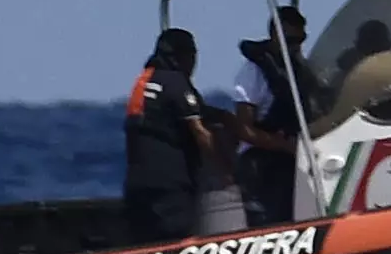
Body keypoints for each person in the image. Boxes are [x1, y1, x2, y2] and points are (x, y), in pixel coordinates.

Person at [120, 30, 213, 240]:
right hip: (170, 185)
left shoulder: (145, 82)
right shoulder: (175, 81)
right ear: (182, 56)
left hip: (137, 184)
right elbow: (199, 131)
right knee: (180, 238)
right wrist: (227, 169)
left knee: (145, 241)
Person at [227, 27, 303, 225]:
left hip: (289, 159)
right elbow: (244, 129)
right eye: (291, 38)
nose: (296, 45)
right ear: (276, 35)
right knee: (267, 222)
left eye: (301, 39)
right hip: (260, 163)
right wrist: (284, 145)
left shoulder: (297, 69)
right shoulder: (253, 72)